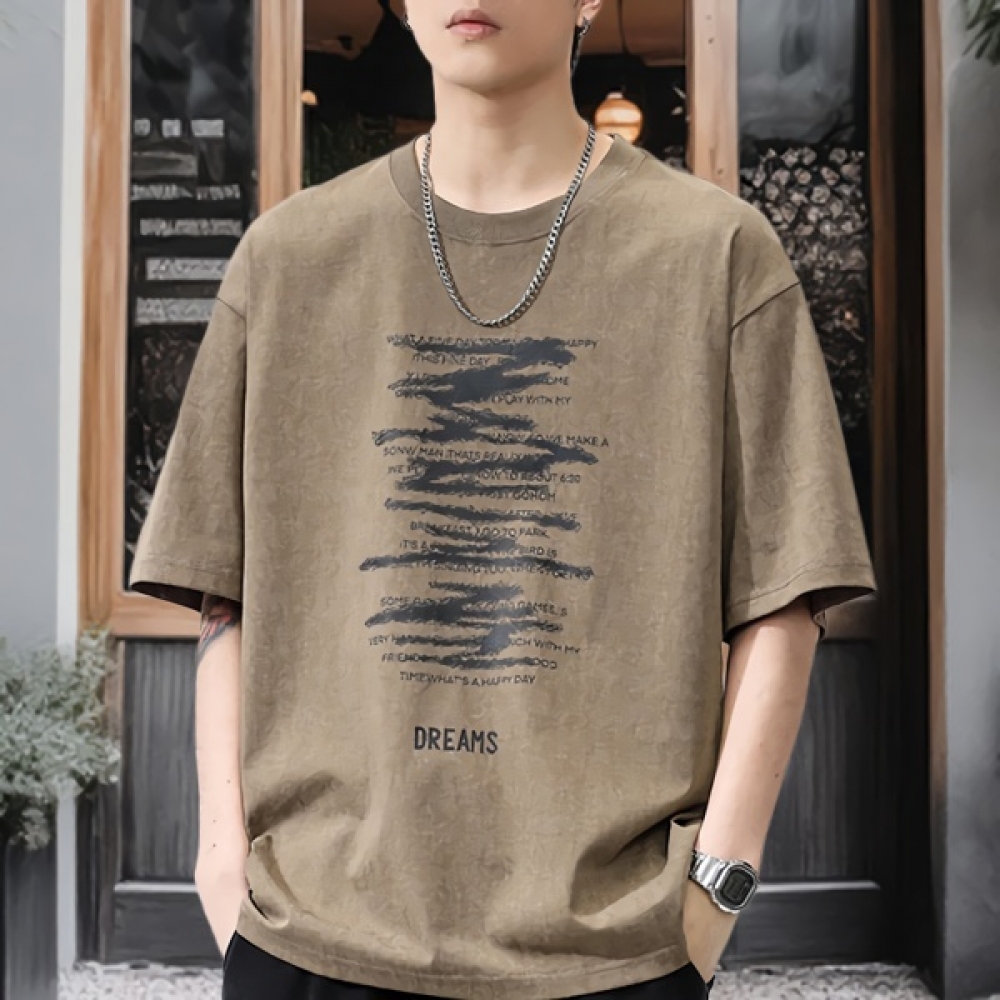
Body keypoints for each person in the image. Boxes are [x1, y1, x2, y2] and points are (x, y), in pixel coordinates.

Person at [129, 1, 876, 998]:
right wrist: (223, 862)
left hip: (612, 951)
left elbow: (786, 593)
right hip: (312, 938)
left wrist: (714, 888)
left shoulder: (715, 254)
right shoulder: (290, 259)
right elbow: (222, 590)